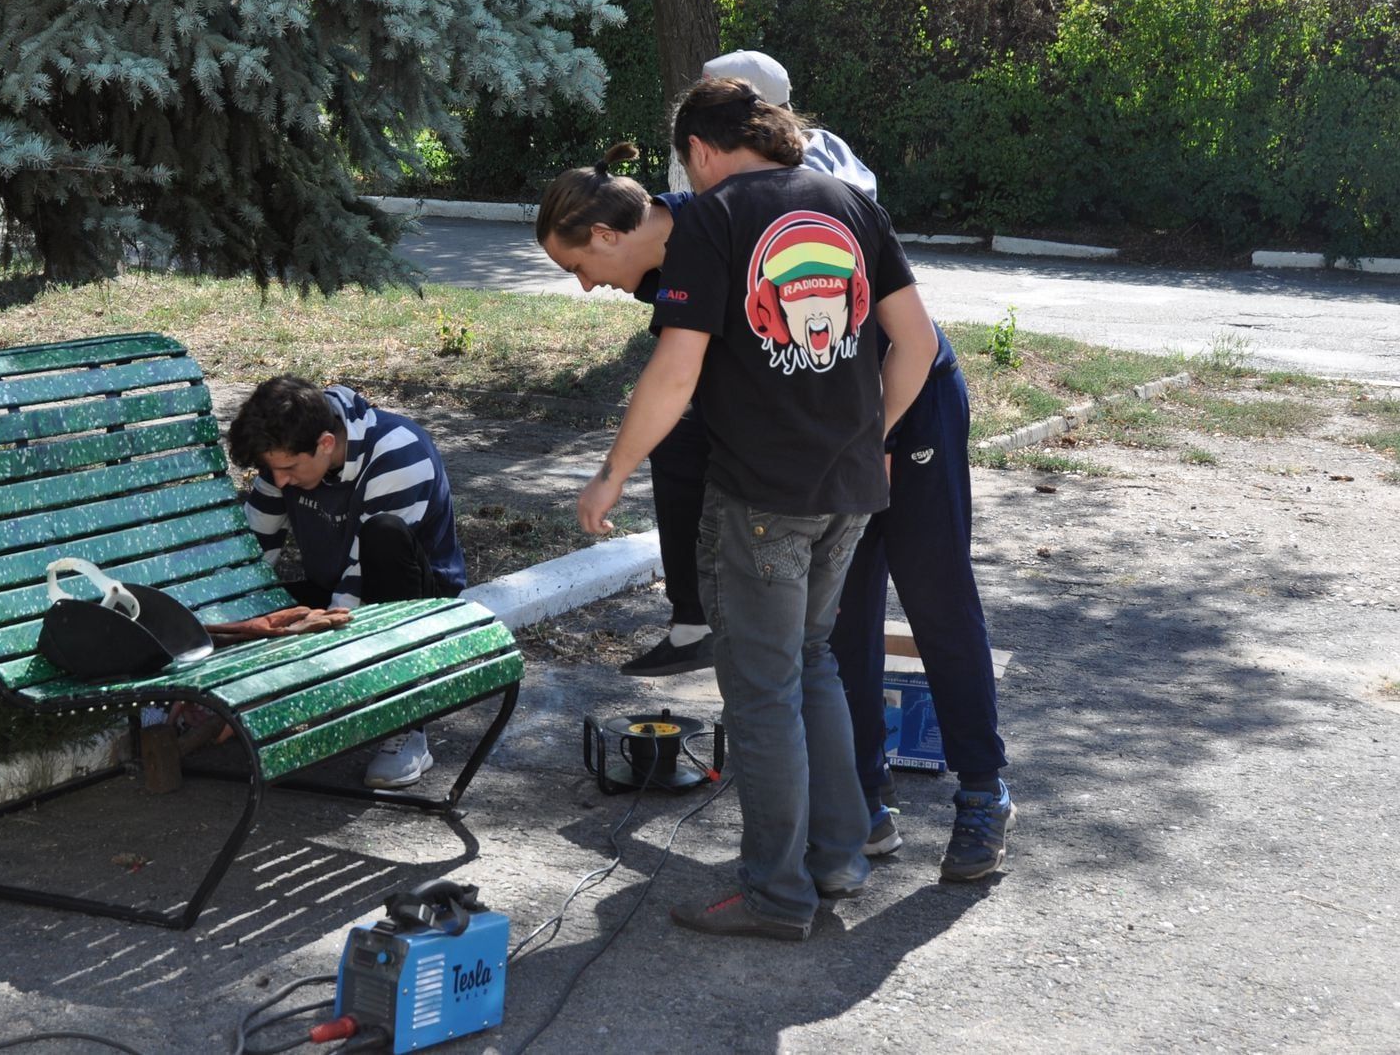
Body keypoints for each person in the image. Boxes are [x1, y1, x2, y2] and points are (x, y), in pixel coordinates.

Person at [540, 50, 1015, 882]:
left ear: (698, 154)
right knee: (839, 633)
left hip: (905, 406)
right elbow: (707, 396)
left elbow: (905, 339)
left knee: (936, 598)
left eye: (580, 268)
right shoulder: (692, 242)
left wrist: (874, 436)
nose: (586, 287)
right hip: (840, 440)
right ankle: (861, 808)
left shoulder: (745, 211)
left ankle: (983, 791)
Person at [227, 375, 466, 789]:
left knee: (384, 535)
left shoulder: (397, 452)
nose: (279, 480)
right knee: (255, 611)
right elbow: (251, 554)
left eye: (287, 469)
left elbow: (359, 582)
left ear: (324, 444)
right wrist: (234, 633)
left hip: (411, 596)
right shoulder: (286, 450)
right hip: (339, 586)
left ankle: (405, 722)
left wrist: (317, 675)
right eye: (272, 470)